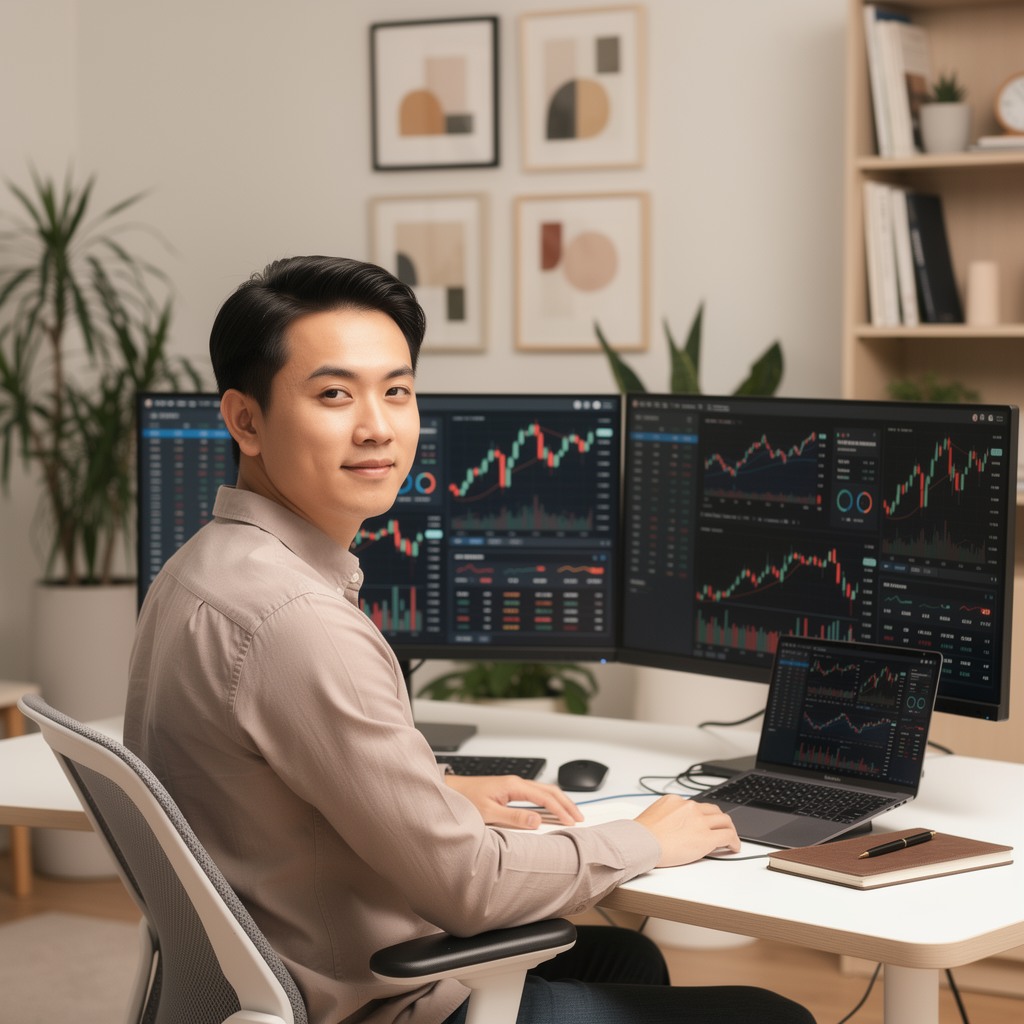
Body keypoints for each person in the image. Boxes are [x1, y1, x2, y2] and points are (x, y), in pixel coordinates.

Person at [125, 256, 815, 1024]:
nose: (377, 426)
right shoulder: (297, 620)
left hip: (261, 976)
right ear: (245, 420)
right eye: (333, 394)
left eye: (397, 391)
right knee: (771, 1015)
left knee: (629, 956)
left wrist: (436, 789)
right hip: (369, 1004)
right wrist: (646, 839)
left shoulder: (197, 569)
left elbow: (270, 782)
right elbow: (472, 886)